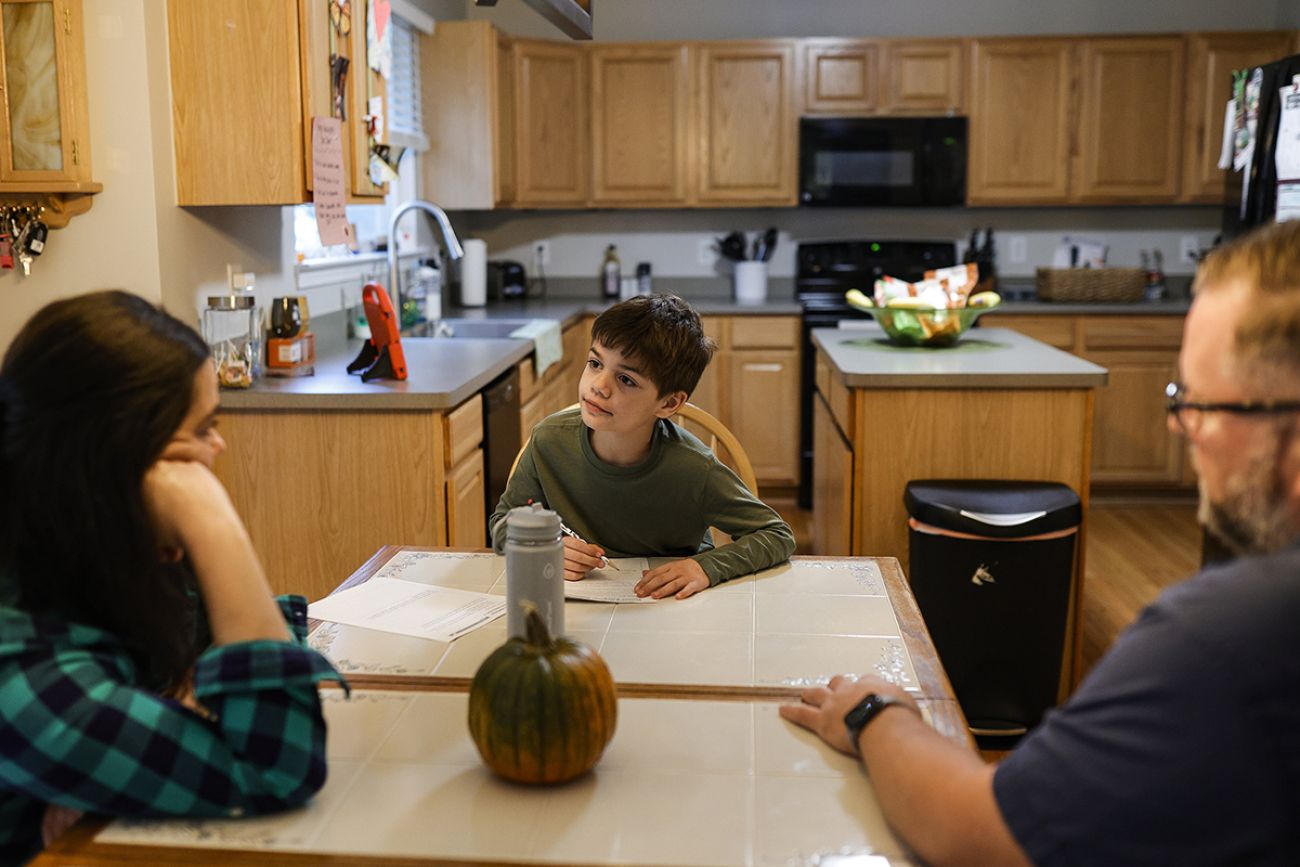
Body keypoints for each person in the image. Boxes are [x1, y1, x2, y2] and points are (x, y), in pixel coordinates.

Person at [780, 219, 1300, 867]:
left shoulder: (1232, 638)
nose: (1180, 429)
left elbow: (976, 830)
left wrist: (875, 712)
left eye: (1200, 403)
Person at [0, 291, 344, 864]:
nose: (219, 446)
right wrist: (216, 527)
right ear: (116, 461)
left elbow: (248, 675)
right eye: (203, 428)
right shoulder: (17, 672)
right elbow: (276, 762)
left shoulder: (93, 552)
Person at [490, 293, 795, 599]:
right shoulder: (548, 441)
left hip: (670, 605)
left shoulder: (694, 468)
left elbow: (776, 535)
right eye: (595, 363)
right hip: (576, 607)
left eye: (626, 379)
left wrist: (704, 568)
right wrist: (539, 545)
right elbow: (503, 522)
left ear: (669, 403)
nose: (599, 385)